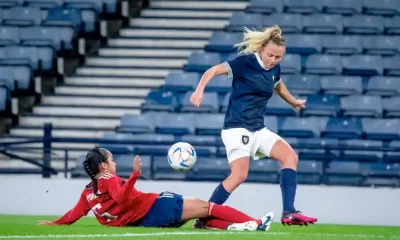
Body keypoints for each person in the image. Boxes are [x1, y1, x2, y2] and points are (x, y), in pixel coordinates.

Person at [190, 25, 318, 227]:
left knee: (290, 157)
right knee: (239, 175)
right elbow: (213, 70)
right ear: (261, 49)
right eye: (270, 55)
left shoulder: (274, 68)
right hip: (236, 127)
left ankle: (289, 212)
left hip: (257, 129)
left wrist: (292, 101)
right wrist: (199, 91)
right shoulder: (245, 62)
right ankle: (204, 218)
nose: (273, 60)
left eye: (278, 57)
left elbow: (278, 84)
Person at [37, 147, 274, 231]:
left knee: (202, 217)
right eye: (111, 159)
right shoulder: (108, 177)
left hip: (146, 220)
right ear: (103, 165)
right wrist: (134, 176)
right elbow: (120, 198)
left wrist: (55, 224)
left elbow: (74, 214)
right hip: (155, 207)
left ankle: (234, 227)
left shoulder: (88, 191)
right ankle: (256, 222)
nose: (114, 163)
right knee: (208, 207)